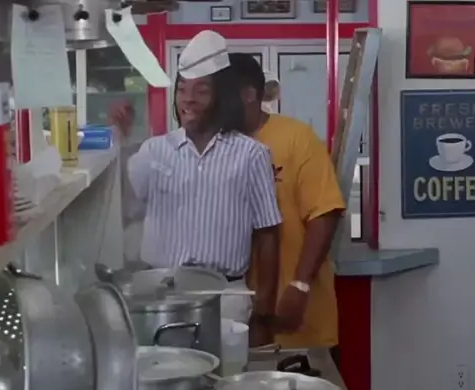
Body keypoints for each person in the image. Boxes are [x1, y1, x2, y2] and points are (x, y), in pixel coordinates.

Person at [109, 32, 282, 334]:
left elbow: (268, 231)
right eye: (182, 90)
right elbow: (124, 209)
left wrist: (265, 307)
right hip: (161, 295)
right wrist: (118, 140)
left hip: (225, 297)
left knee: (223, 364)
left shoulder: (251, 155)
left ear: (221, 97)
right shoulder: (154, 151)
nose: (188, 99)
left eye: (201, 91)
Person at [228, 53, 345, 358]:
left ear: (248, 94)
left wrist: (300, 285)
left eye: (220, 93)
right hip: (237, 326)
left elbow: (325, 212)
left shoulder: (297, 138)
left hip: (298, 320)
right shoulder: (218, 145)